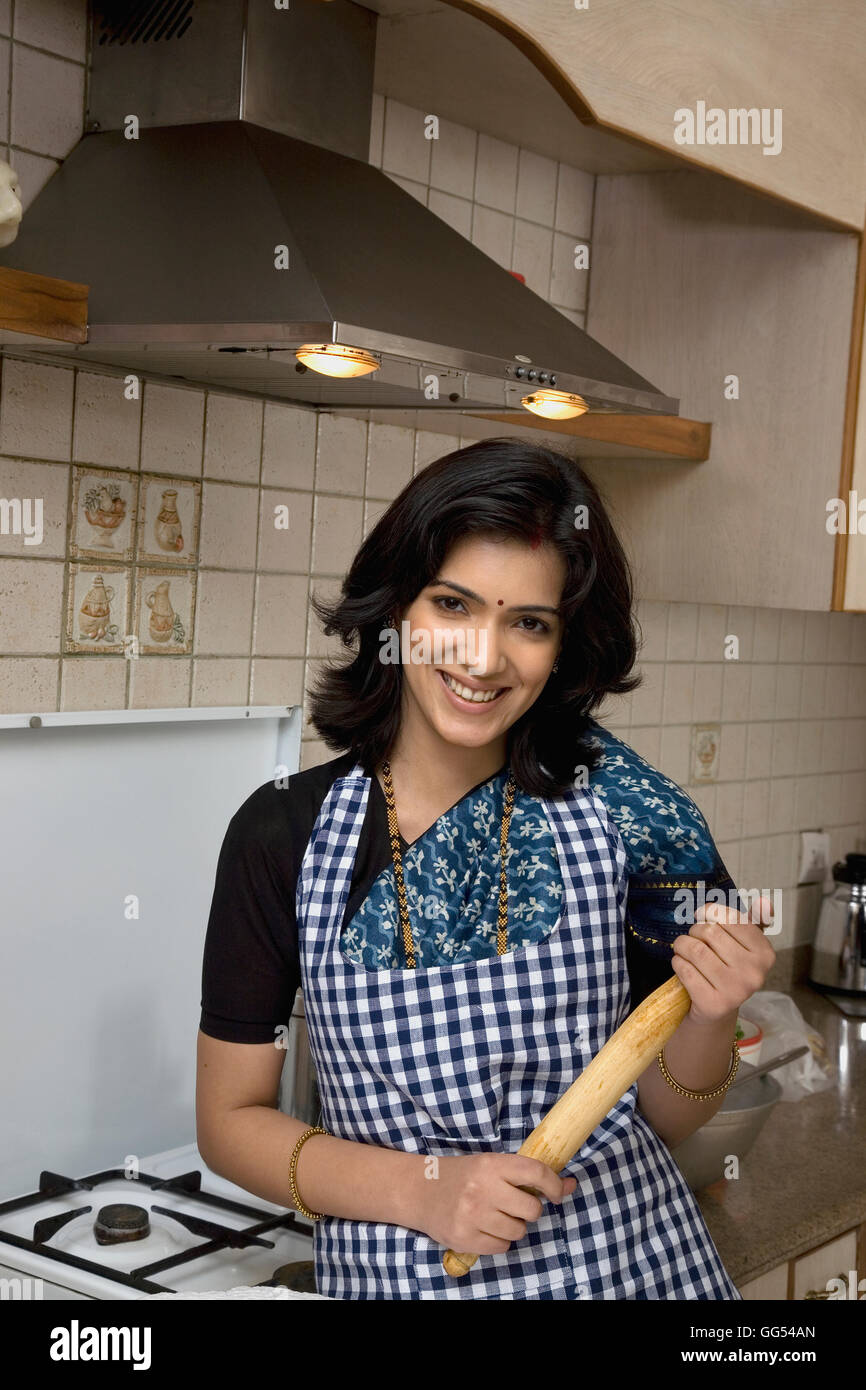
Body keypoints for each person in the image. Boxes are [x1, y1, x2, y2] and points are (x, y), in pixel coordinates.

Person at [196, 437, 775, 1300]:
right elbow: (228, 1122)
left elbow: (670, 1113)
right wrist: (427, 1189)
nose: (483, 657)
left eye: (529, 623)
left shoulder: (628, 814)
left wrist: (708, 1019)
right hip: (405, 1276)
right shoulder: (283, 832)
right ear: (396, 610)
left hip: (635, 1271)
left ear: (564, 644)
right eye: (454, 605)